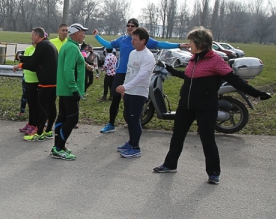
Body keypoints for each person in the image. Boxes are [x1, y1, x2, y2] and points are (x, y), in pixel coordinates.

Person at [153, 27, 271, 184]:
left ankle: (214, 172)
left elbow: (235, 80)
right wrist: (170, 70)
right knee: (177, 137)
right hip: (186, 105)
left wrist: (257, 93)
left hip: (206, 107)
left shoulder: (215, 60)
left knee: (207, 140)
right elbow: (188, 77)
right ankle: (170, 165)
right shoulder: (193, 59)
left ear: (201, 43)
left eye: (191, 42)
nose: (189, 45)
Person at [93, 18, 190, 134]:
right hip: (121, 73)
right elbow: (108, 44)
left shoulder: (142, 39)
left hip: (135, 74)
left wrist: (179, 45)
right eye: (128, 25)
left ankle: (133, 126)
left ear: (137, 28)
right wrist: (97, 36)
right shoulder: (122, 39)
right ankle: (111, 124)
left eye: (132, 25)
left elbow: (161, 44)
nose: (129, 27)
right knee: (115, 99)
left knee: (132, 100)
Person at [115, 27, 155, 158]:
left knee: (134, 119)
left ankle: (135, 147)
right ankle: (130, 142)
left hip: (139, 92)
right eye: (132, 38)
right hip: (129, 91)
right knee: (128, 118)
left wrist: (125, 87)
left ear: (143, 41)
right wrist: (124, 89)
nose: (132, 41)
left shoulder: (148, 56)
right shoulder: (133, 53)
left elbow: (141, 76)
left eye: (135, 39)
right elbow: (129, 73)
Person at [51, 23, 87, 160]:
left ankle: (57, 146)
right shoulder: (72, 48)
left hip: (63, 89)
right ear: (76, 33)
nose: (84, 35)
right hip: (70, 90)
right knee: (72, 119)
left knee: (62, 117)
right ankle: (59, 147)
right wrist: (74, 89)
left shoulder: (68, 45)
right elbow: (68, 70)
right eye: (83, 32)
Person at [18, 27, 58, 142]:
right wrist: (22, 58)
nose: (31, 37)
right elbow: (35, 58)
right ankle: (49, 131)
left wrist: (20, 65)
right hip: (54, 82)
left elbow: (33, 64)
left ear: (37, 36)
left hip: (45, 82)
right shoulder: (48, 44)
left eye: (32, 35)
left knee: (42, 108)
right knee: (51, 106)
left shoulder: (42, 45)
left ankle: (39, 132)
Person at [14, 37, 39, 136]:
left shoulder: (38, 50)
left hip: (35, 80)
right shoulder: (28, 49)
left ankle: (36, 126)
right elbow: (24, 62)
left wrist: (21, 64)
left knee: (35, 105)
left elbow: (31, 64)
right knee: (30, 104)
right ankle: (30, 123)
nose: (32, 39)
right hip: (27, 79)